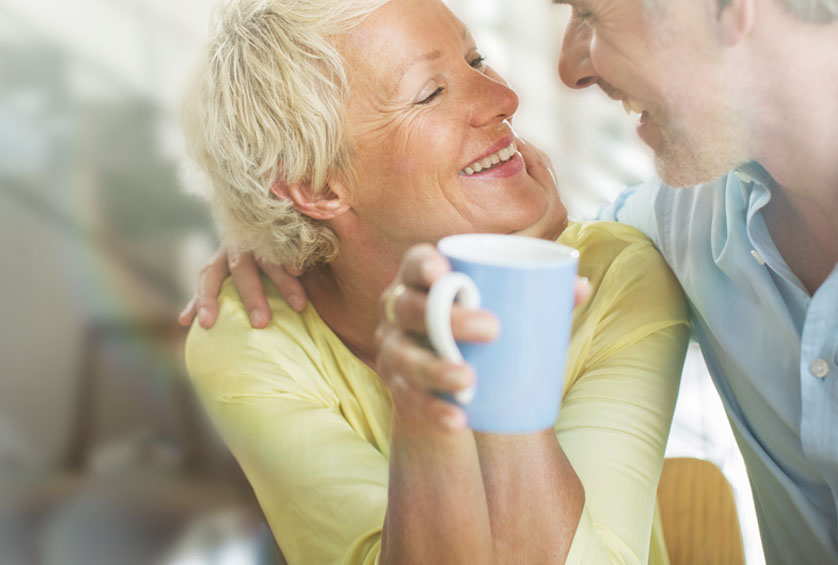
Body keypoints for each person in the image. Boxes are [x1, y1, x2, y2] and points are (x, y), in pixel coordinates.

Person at [185, 0, 838, 562]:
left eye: (588, 12)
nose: (544, 81)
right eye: (431, 89)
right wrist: (278, 225)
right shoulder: (694, 226)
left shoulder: (640, 257)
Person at [180, 0, 690, 563]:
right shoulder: (251, 337)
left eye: (477, 60)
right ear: (318, 187)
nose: (505, 99)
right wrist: (427, 425)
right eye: (429, 93)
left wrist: (507, 298)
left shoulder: (613, 278)